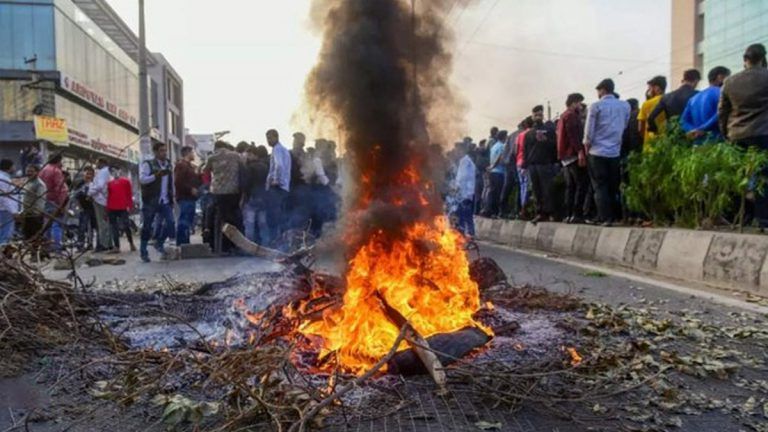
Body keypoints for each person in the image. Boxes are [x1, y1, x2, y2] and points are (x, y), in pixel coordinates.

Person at [718, 43, 768, 226]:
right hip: (764, 133)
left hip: (737, 134)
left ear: (745, 59)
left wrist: (726, 133)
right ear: (763, 58)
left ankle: (739, 217)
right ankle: (763, 219)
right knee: (764, 176)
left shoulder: (730, 81)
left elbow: (722, 111)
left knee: (737, 176)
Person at [584, 79, 631, 226]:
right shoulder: (625, 106)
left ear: (602, 90)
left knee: (599, 186)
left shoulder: (596, 106)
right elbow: (625, 125)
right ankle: (614, 216)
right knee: (612, 185)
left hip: (597, 152)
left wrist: (587, 146)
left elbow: (588, 132)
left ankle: (605, 217)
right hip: (615, 152)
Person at [205, 140, 243, 253]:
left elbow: (205, 170)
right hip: (233, 192)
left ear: (216, 147)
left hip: (218, 192)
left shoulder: (212, 157)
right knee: (234, 219)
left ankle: (220, 247)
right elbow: (243, 168)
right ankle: (235, 246)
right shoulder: (235, 156)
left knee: (219, 219)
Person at [139, 142, 175, 262]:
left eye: (165, 151)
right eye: (161, 151)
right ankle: (143, 251)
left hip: (165, 199)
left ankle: (159, 242)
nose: (164, 153)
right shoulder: (148, 164)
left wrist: (172, 195)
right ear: (155, 152)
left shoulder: (169, 164)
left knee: (170, 222)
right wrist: (156, 175)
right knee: (147, 226)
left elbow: (171, 181)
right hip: (151, 200)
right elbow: (142, 180)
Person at [524, 105, 558, 224]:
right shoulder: (529, 133)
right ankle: (540, 213)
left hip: (545, 163)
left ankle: (550, 213)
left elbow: (555, 146)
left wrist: (546, 141)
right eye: (535, 115)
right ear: (532, 117)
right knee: (536, 190)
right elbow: (525, 150)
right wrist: (525, 165)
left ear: (543, 116)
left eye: (540, 114)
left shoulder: (549, 130)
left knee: (547, 189)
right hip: (533, 165)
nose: (538, 117)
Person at [681, 66, 731, 143]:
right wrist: (703, 128)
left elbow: (683, 121)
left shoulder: (693, 98)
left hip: (698, 144)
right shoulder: (722, 93)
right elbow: (721, 113)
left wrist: (693, 130)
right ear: (720, 77)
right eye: (728, 78)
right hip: (717, 143)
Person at [557, 93, 587, 224]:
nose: (580, 106)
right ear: (574, 103)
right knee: (581, 184)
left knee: (570, 186)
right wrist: (580, 151)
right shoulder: (571, 116)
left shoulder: (563, 116)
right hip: (573, 154)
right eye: (579, 103)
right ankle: (577, 214)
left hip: (565, 156)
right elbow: (573, 136)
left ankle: (568, 214)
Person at [648, 69, 701, 134]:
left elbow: (651, 117)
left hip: (672, 134)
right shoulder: (698, 95)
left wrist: (655, 130)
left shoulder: (666, 97)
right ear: (696, 81)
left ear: (684, 80)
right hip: (692, 133)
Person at [265, 129, 291, 246]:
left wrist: (275, 180)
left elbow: (279, 165)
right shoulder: (285, 150)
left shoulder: (277, 149)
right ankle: (283, 241)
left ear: (276, 137)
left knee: (273, 217)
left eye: (270, 138)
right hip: (284, 187)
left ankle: (275, 242)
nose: (268, 141)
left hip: (278, 188)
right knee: (281, 216)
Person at [38, 153, 69, 250]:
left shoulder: (43, 170)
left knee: (47, 224)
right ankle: (56, 247)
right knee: (56, 224)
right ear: (59, 161)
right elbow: (60, 189)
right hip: (54, 201)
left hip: (44, 200)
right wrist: (62, 204)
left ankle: (47, 246)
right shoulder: (56, 171)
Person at [241, 145, 270, 243]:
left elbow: (246, 184)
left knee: (250, 224)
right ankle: (265, 244)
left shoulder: (249, 168)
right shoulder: (265, 166)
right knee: (263, 224)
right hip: (264, 198)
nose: (247, 156)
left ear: (253, 154)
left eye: (248, 154)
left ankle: (250, 245)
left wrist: (244, 197)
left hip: (252, 198)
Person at [174, 146, 201, 246]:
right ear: (187, 153)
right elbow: (178, 182)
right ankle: (182, 243)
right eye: (192, 152)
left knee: (188, 220)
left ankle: (185, 243)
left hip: (190, 198)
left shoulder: (190, 166)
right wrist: (190, 189)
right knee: (184, 220)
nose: (193, 154)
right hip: (185, 197)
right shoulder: (181, 165)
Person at [19, 164, 47, 252]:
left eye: (31, 171)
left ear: (37, 172)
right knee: (27, 236)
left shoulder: (40, 184)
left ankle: (38, 254)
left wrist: (35, 212)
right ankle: (31, 253)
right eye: (28, 171)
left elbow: (40, 200)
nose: (29, 173)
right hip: (26, 213)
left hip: (35, 214)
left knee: (35, 236)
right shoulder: (27, 182)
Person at [106, 167, 135, 252]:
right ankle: (117, 246)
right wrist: (107, 208)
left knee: (126, 226)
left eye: (116, 170)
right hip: (111, 207)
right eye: (113, 171)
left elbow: (129, 194)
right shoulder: (109, 183)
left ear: (120, 171)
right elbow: (108, 196)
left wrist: (130, 206)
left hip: (122, 207)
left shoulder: (126, 182)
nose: (115, 173)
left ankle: (131, 243)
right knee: (114, 227)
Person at [88, 157, 113, 252]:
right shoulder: (105, 172)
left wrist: (90, 192)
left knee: (102, 223)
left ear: (102, 163)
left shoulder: (103, 172)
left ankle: (105, 244)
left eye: (97, 162)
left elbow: (100, 186)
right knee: (104, 222)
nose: (96, 164)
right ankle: (107, 243)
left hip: (100, 200)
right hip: (102, 199)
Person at [453, 141, 476, 237]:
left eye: (457, 149)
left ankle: (467, 232)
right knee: (464, 213)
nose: (455, 152)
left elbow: (463, 177)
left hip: (465, 192)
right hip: (465, 192)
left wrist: (457, 188)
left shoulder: (465, 161)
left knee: (464, 213)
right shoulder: (465, 160)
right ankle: (464, 231)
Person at [637, 75, 667, 150]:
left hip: (649, 147)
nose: (648, 91)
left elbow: (640, 129)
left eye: (650, 88)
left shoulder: (647, 104)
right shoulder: (670, 100)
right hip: (667, 145)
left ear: (657, 88)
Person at [483, 129, 507, 217]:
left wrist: (491, 167)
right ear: (504, 137)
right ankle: (494, 212)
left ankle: (489, 210)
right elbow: (500, 158)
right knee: (497, 193)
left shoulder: (494, 146)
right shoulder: (502, 146)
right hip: (499, 172)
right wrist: (493, 166)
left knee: (492, 192)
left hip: (492, 172)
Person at [516, 117, 534, 218]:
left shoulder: (520, 135)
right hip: (527, 163)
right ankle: (525, 210)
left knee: (522, 186)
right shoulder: (531, 134)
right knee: (528, 186)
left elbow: (516, 150)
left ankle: (522, 208)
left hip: (518, 162)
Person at [0, 159, 17, 245]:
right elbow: (3, 197)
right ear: (9, 167)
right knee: (5, 233)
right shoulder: (3, 179)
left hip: (5, 209)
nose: (15, 168)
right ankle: (3, 254)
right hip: (5, 210)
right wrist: (13, 211)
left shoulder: (4, 177)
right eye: (13, 166)